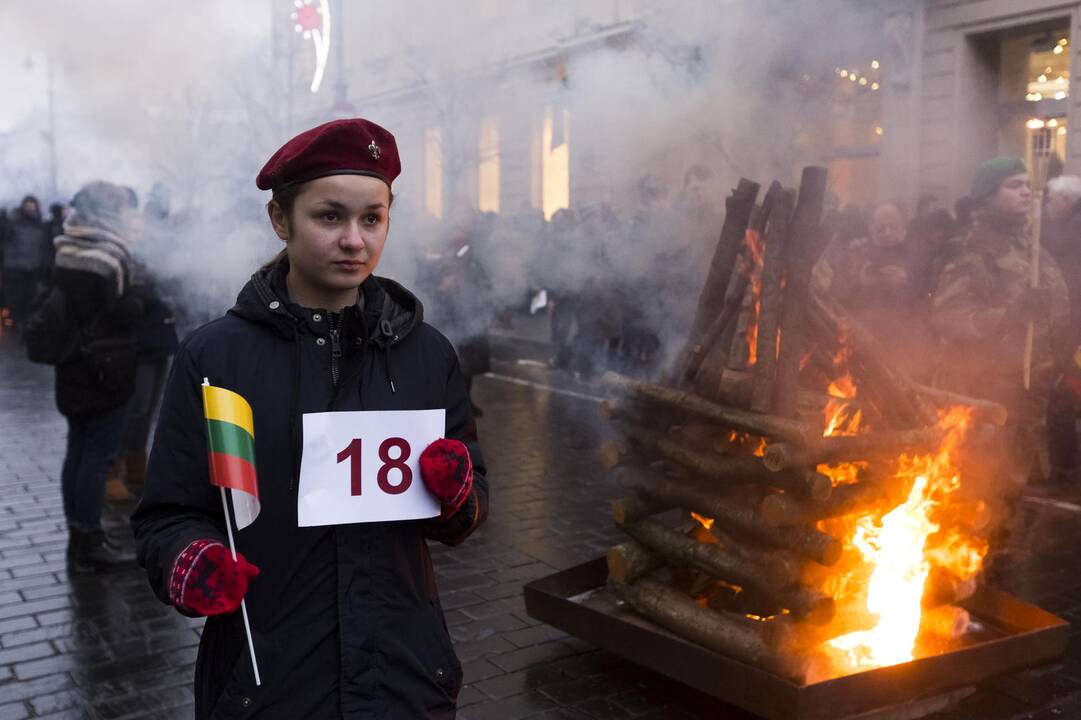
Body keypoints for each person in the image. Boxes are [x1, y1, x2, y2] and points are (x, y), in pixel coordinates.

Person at [131, 118, 489, 719]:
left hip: (405, 680)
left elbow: (468, 502)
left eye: (372, 218)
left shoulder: (428, 354)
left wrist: (458, 496)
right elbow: (168, 514)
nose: (355, 239)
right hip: (268, 683)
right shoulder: (216, 359)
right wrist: (189, 559)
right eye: (329, 217)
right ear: (281, 221)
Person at [932, 157, 1070, 525]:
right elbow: (951, 319)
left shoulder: (1030, 245)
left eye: (1027, 184)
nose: (1025, 191)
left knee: (1011, 491)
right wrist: (1011, 314)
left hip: (1028, 394)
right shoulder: (973, 251)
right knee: (978, 490)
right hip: (987, 397)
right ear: (987, 197)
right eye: (1013, 185)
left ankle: (996, 559)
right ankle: (965, 567)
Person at [52, 181, 142, 571]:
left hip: (71, 363)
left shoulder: (64, 246)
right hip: (106, 368)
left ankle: (78, 537)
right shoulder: (110, 254)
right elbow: (125, 311)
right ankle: (90, 541)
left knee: (77, 450)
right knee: (98, 455)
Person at [1040, 174, 1081, 491]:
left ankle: (1064, 470)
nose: (1046, 206)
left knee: (1065, 395)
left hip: (1076, 335)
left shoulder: (1070, 237)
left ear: (1066, 201)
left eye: (1050, 200)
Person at [1, 195, 51, 329]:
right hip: (15, 267)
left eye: (32, 205)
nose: (30, 208)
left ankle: (25, 322)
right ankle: (15, 321)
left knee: (30, 297)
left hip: (32, 267)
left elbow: (44, 247)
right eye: (28, 205)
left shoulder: (41, 225)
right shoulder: (12, 223)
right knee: (16, 297)